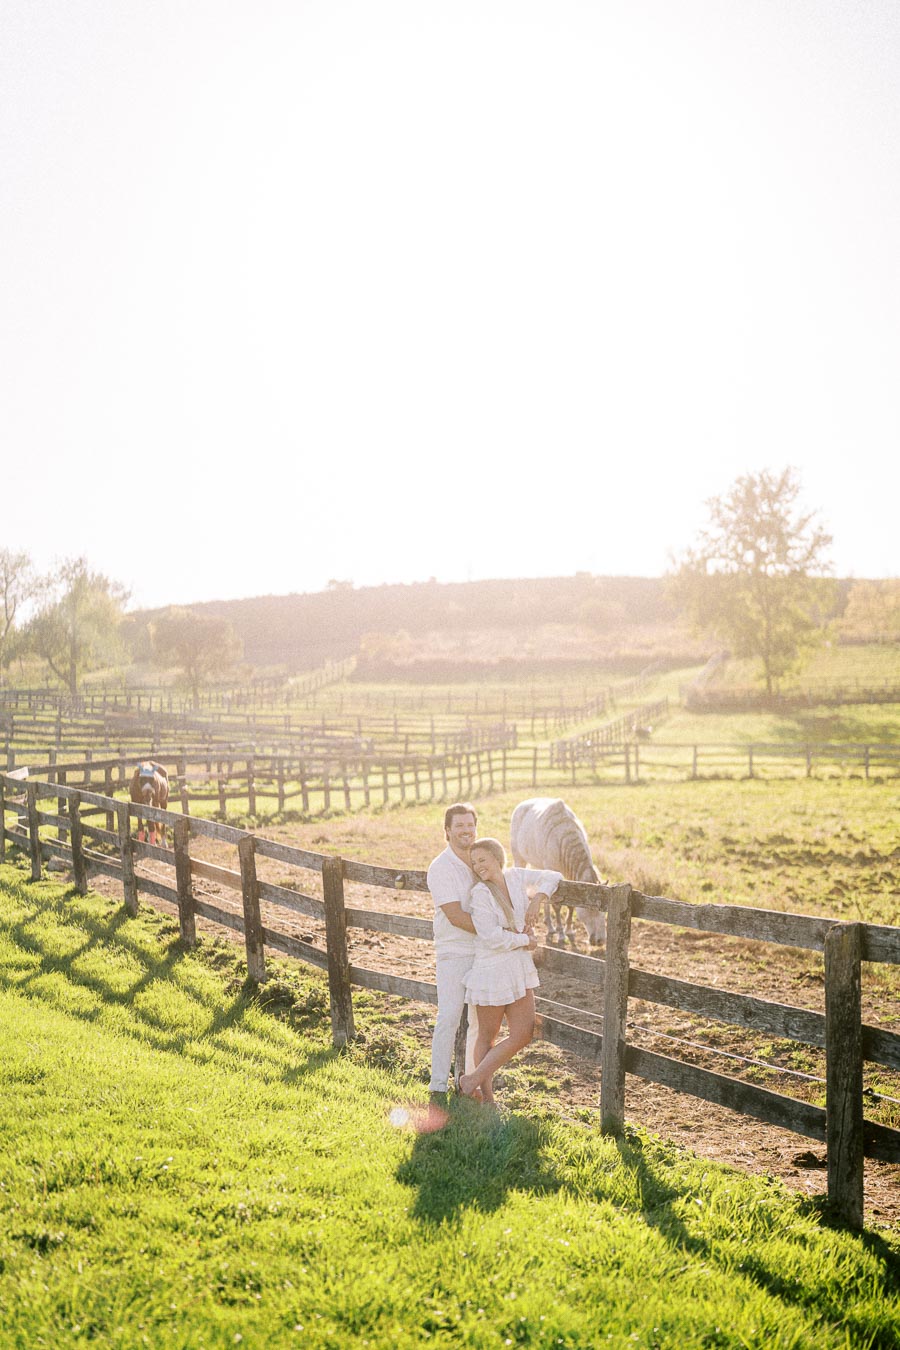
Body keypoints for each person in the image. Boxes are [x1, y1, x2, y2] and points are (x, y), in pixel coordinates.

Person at [457, 837, 562, 1104]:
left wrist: (538, 898)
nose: (478, 866)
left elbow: (553, 875)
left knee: (523, 1033)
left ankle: (470, 1080)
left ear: (497, 858)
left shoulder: (515, 877)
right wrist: (525, 940)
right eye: (474, 863)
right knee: (487, 1036)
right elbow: (491, 937)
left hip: (517, 968)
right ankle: (488, 1099)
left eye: (482, 859)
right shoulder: (480, 894)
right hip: (492, 969)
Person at [427, 802, 481, 1099]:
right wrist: (495, 933)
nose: (466, 830)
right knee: (448, 1016)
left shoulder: (481, 861)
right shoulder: (440, 867)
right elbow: (455, 916)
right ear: (447, 831)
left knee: (477, 1021)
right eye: (459, 826)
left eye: (470, 825)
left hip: (482, 953)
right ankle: (437, 1085)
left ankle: (469, 1083)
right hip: (453, 952)